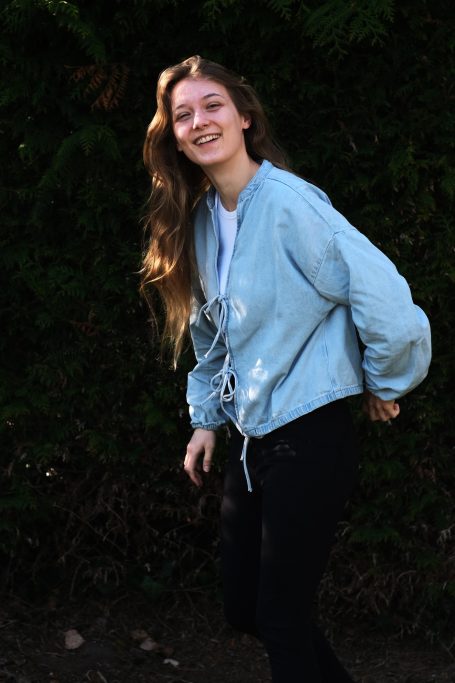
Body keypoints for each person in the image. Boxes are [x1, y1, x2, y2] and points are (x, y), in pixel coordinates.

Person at [141, 55, 431, 683]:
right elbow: (213, 334)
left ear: (244, 117)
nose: (199, 121)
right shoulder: (203, 222)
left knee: (280, 617)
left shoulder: (292, 205)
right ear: (174, 137)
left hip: (309, 433)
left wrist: (384, 381)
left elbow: (384, 298)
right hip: (251, 439)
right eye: (183, 114)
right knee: (246, 608)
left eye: (212, 105)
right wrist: (206, 419)